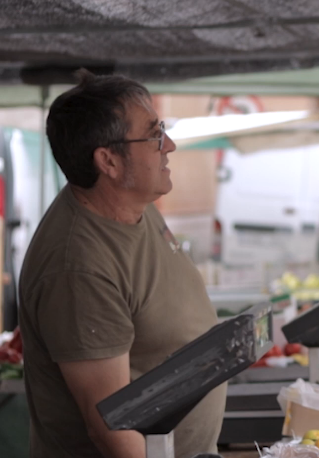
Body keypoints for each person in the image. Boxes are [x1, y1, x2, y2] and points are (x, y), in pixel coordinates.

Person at [17, 71, 224, 458]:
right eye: (154, 135)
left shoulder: (136, 207)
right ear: (109, 161)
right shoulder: (78, 265)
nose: (169, 145)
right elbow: (113, 428)